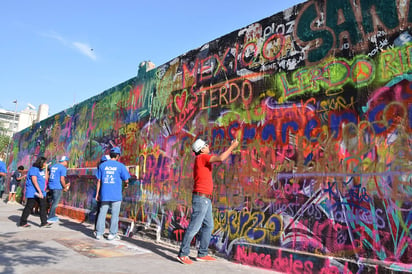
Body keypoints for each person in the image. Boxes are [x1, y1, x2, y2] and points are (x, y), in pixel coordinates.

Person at [176, 138, 239, 264]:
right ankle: (183, 254)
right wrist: (232, 146)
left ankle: (202, 253)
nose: (208, 145)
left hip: (206, 199)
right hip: (201, 199)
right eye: (206, 145)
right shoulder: (202, 157)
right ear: (201, 149)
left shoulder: (202, 159)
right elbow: (221, 158)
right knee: (194, 227)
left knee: (209, 225)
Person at [95, 147, 130, 240]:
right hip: (116, 194)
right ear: (118, 156)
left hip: (104, 193)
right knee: (115, 215)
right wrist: (126, 184)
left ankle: (99, 233)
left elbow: (99, 181)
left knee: (102, 213)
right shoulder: (121, 166)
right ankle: (112, 234)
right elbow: (126, 179)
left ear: (110, 155)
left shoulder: (102, 166)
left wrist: (97, 194)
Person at [19, 156, 51, 228]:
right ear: (41, 162)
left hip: (41, 192)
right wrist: (39, 191)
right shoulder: (34, 169)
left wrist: (46, 168)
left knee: (43, 206)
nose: (45, 164)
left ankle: (44, 222)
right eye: (45, 163)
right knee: (29, 206)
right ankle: (22, 222)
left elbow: (46, 179)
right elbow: (34, 181)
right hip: (33, 192)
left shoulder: (41, 170)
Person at [47, 156, 70, 222]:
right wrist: (65, 187)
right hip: (57, 187)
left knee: (52, 201)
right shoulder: (63, 168)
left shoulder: (53, 166)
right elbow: (62, 179)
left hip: (51, 186)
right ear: (64, 161)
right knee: (55, 202)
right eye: (67, 162)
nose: (67, 163)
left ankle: (52, 214)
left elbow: (49, 176)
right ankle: (51, 217)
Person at [91, 155, 110, 234]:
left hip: (102, 192)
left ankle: (97, 228)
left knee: (100, 211)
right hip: (103, 192)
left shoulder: (101, 168)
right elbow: (99, 181)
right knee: (100, 211)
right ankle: (98, 229)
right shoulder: (103, 169)